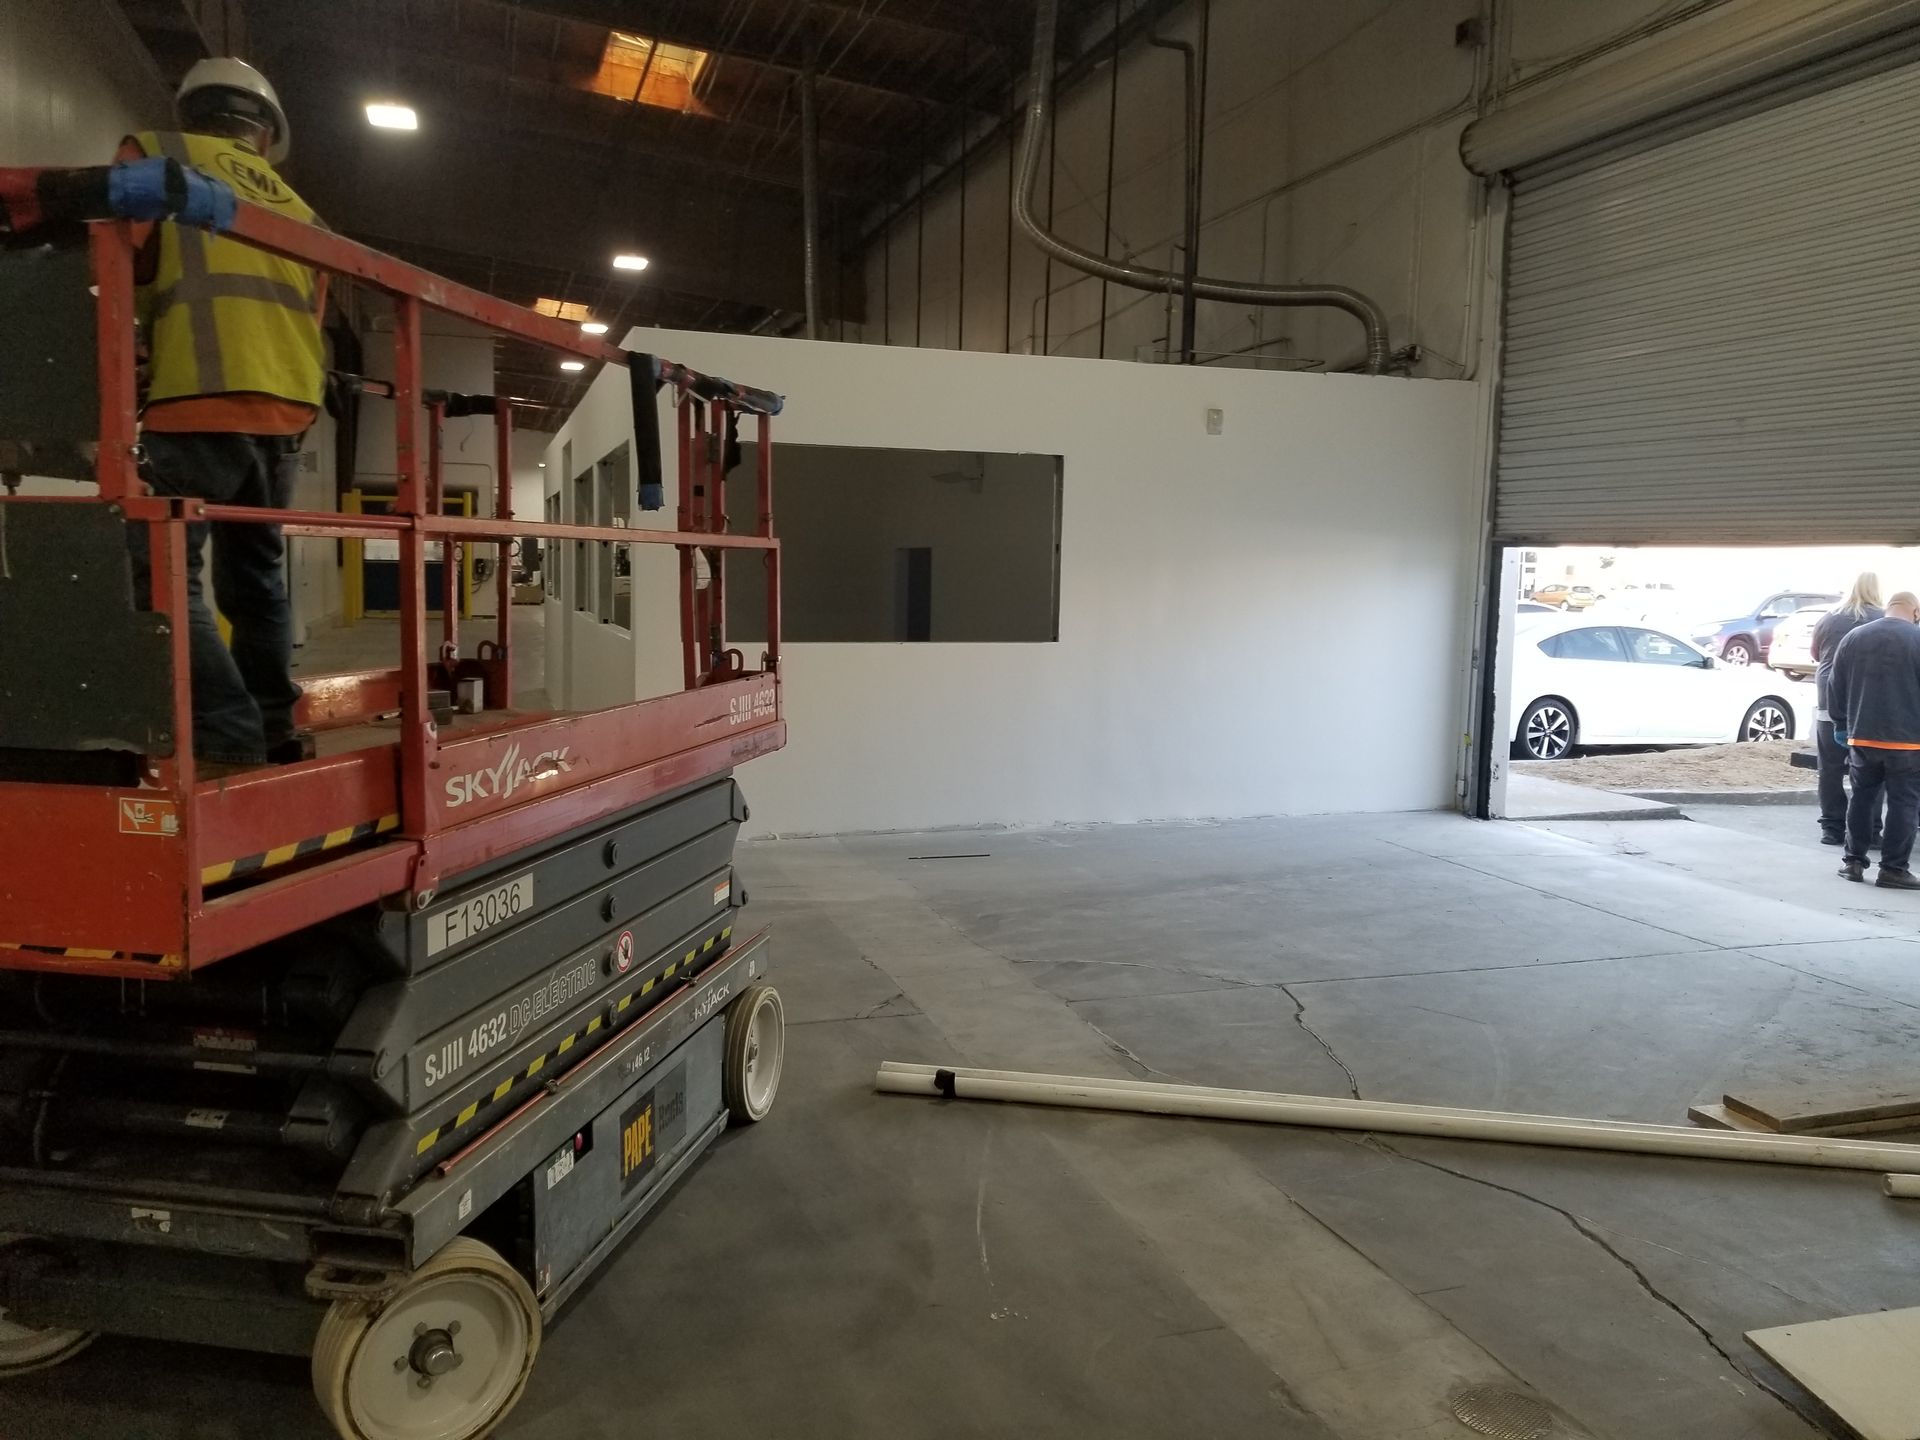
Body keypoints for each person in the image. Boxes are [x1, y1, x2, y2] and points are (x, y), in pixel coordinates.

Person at [121, 59, 323, 767]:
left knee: (160, 570)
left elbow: (120, 271)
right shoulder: (298, 207)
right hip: (288, 406)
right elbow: (312, 313)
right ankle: (273, 726)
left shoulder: (155, 155)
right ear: (265, 136)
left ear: (191, 114)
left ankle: (229, 731)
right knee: (257, 575)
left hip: (195, 395)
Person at [1828, 591, 1920, 889]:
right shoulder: (1917, 639)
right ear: (1915, 612)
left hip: (1862, 736)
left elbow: (1835, 683)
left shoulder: (1855, 637)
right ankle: (1893, 869)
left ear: (1888, 608)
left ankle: (1853, 863)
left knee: (1862, 798)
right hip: (1908, 742)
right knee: (1904, 803)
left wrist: (1841, 723)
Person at [1811, 573, 1885, 846]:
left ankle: (1831, 827)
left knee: (1829, 769)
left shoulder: (1829, 618)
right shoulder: (1883, 619)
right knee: (1871, 771)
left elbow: (1816, 654)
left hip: (1828, 701)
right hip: (1867, 706)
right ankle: (1870, 829)